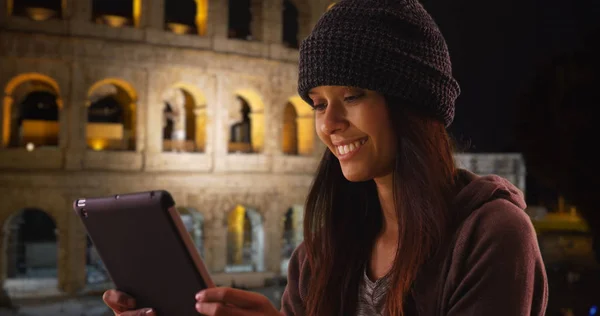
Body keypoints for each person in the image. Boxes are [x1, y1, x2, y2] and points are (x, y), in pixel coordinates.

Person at [102, 0, 549, 315]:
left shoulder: (491, 236)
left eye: (352, 96)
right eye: (317, 103)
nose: (328, 123)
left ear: (411, 106)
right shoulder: (318, 257)